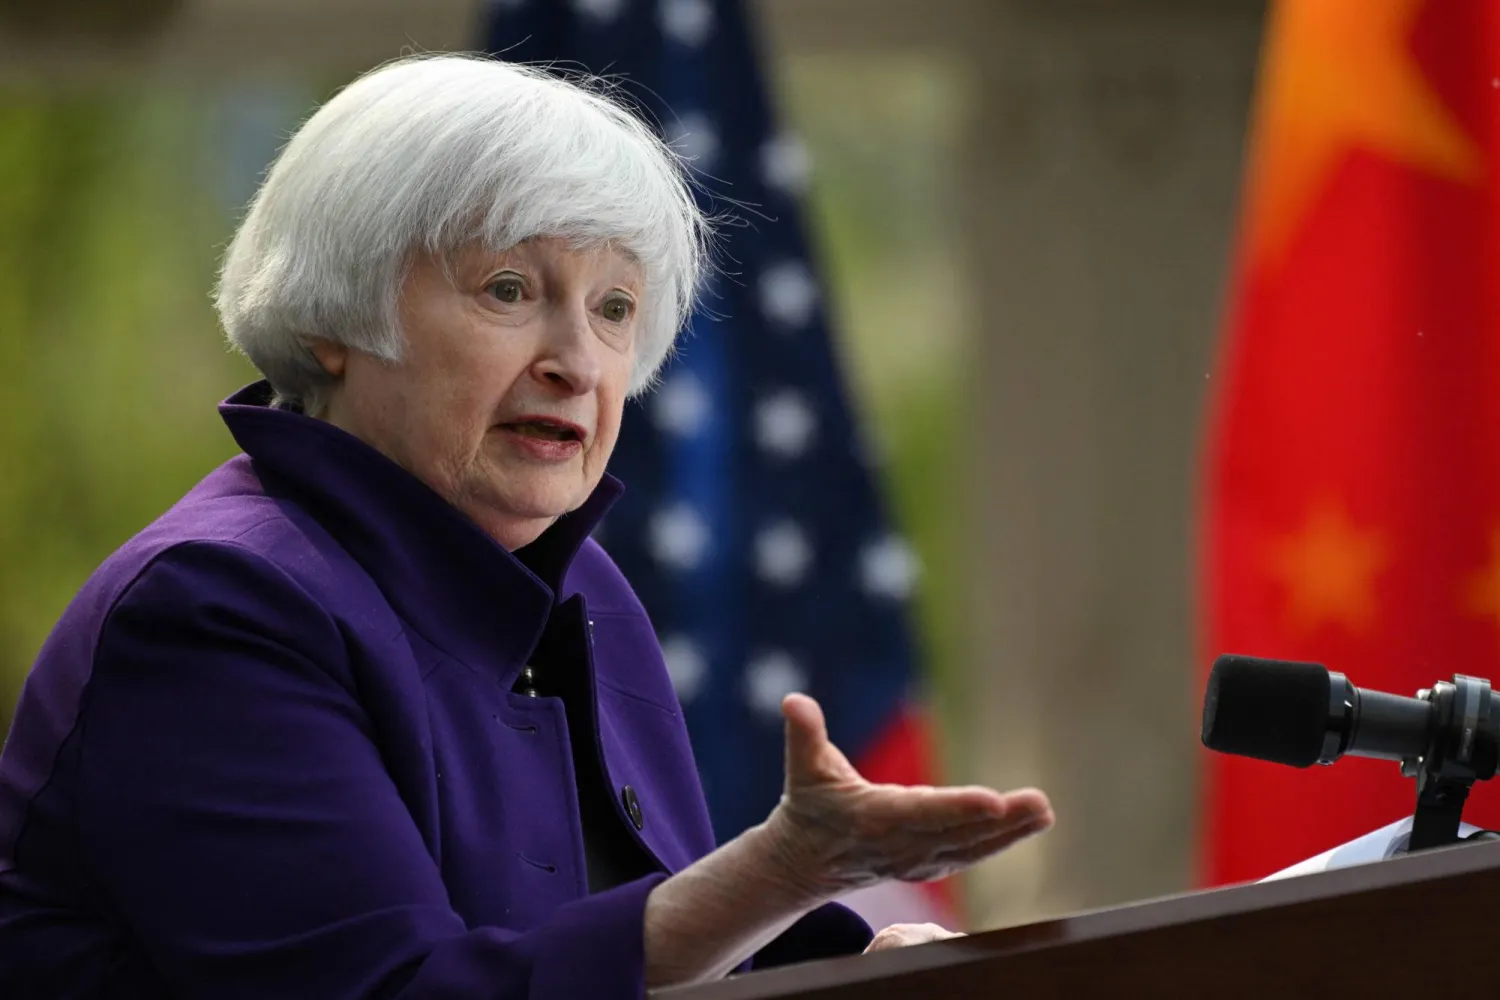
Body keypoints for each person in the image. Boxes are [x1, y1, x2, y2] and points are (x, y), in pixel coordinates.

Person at [0, 54, 1053, 998]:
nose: (578, 362)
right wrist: (779, 866)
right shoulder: (214, 606)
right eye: (509, 289)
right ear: (330, 319)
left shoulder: (584, 586)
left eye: (614, 309)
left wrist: (836, 969)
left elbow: (596, 940)